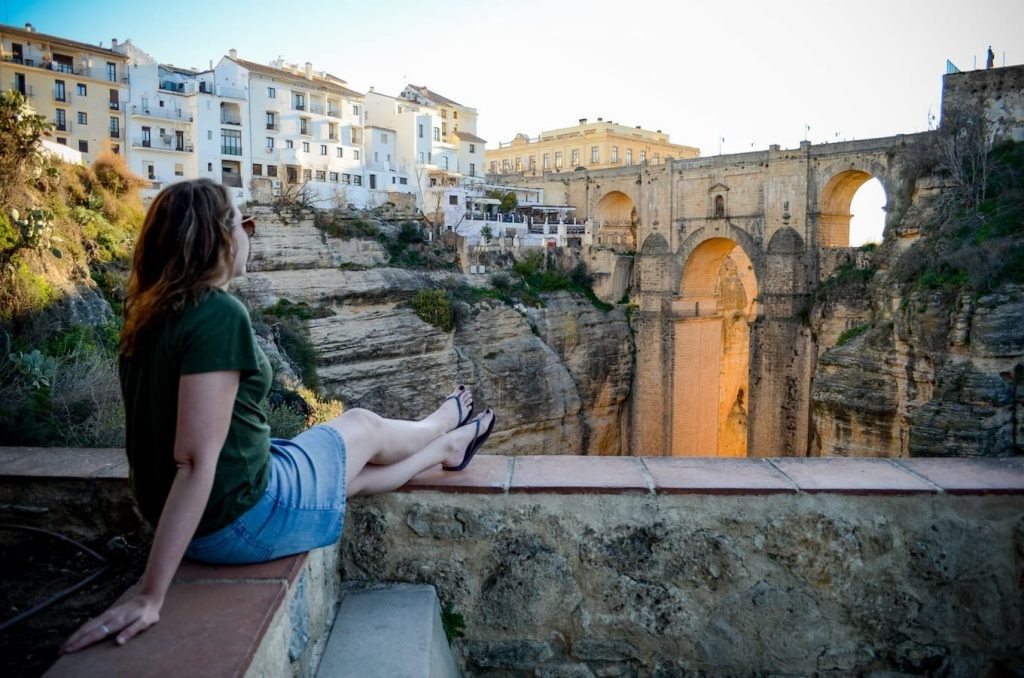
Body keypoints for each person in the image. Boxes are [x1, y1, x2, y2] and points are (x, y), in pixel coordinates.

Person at [61, 178, 495, 652]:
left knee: (346, 466)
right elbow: (193, 461)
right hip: (238, 519)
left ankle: (446, 445)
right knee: (363, 427)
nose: (251, 232)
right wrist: (150, 594)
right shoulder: (217, 314)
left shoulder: (148, 314)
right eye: (245, 223)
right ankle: (441, 430)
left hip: (205, 507)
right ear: (221, 237)